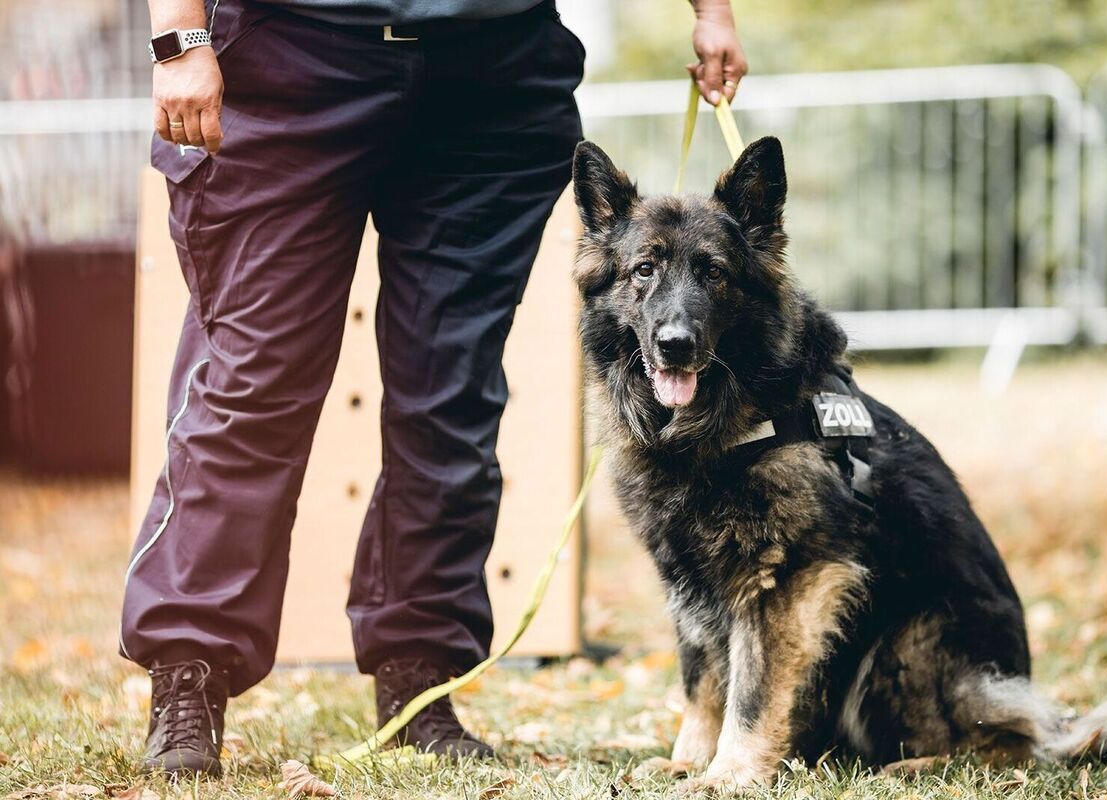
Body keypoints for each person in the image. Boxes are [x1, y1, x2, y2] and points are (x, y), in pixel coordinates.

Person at [122, 0, 748, 777]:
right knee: (249, 389)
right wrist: (181, 42)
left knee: (448, 402)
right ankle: (189, 675)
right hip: (293, 62)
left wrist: (713, 12)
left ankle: (419, 682)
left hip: (491, 77)